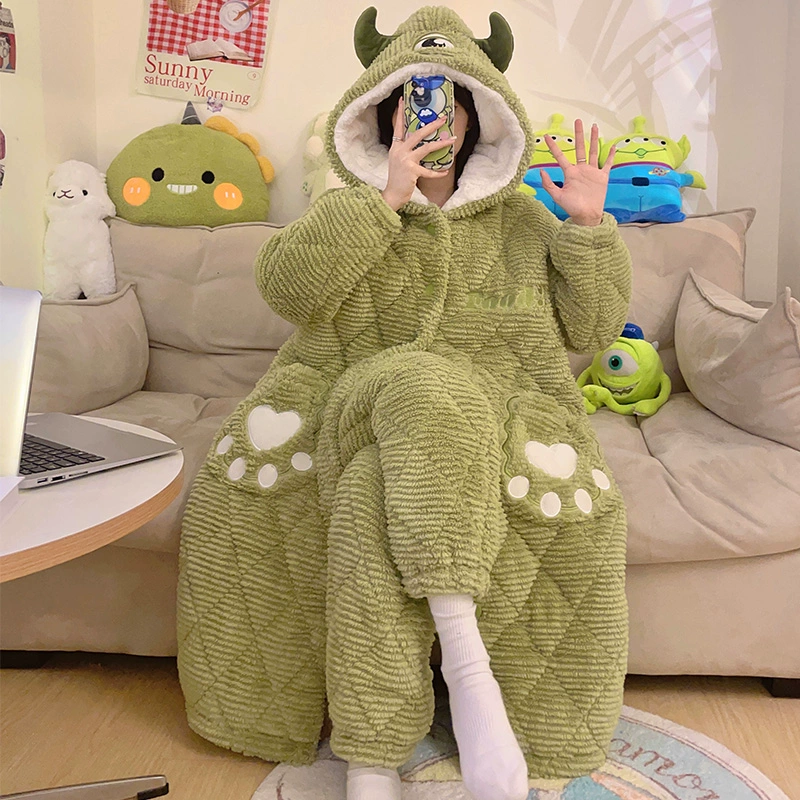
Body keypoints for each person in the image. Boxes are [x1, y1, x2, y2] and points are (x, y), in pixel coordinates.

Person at [177, 8, 632, 800]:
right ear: (383, 117)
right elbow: (288, 290)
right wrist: (382, 200)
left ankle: (371, 760)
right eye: (413, 105)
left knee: (365, 497)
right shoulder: (350, 206)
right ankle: (469, 667)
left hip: (486, 416)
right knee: (422, 380)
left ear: (479, 118)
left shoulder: (526, 221)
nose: (433, 122)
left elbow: (590, 331)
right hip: (349, 396)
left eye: (451, 106)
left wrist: (590, 226)